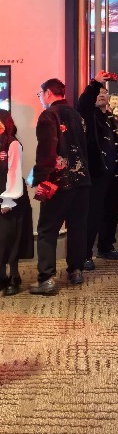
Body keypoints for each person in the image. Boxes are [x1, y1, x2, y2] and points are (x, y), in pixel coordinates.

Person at [29, 78, 90, 294]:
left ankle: (46, 279)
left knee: (47, 229)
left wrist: (40, 179)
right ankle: (76, 271)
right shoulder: (77, 116)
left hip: (59, 182)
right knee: (77, 227)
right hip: (83, 181)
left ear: (48, 93)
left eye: (40, 94)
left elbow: (46, 151)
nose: (40, 98)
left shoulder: (49, 115)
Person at [78, 72, 118, 268]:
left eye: (104, 92)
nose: (101, 94)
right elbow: (84, 103)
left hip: (114, 173)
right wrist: (95, 84)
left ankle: (106, 246)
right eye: (98, 92)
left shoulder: (113, 118)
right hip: (96, 172)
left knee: (111, 211)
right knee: (92, 214)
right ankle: (85, 254)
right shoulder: (89, 116)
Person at [0, 111, 33, 296]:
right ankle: (1, 276)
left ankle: (14, 276)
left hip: (12, 196)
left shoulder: (13, 144)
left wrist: (8, 200)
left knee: (11, 237)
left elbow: (14, 172)